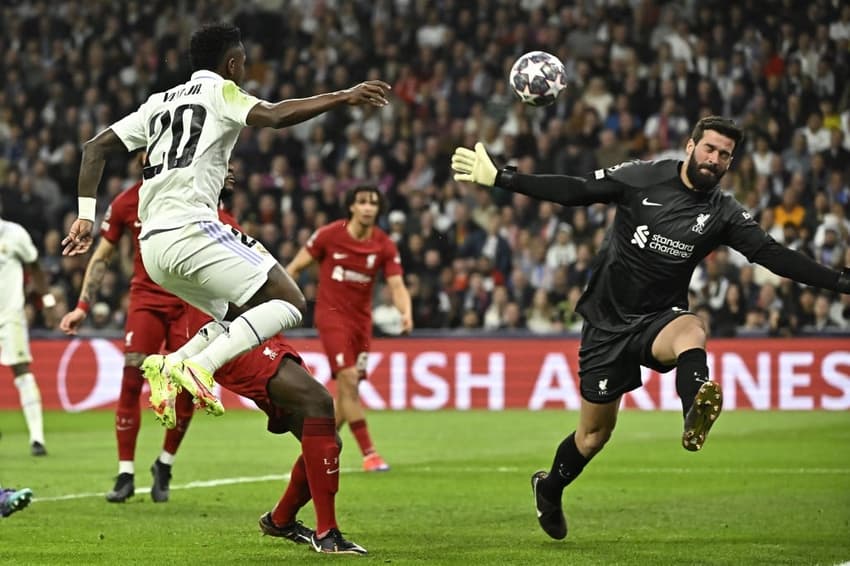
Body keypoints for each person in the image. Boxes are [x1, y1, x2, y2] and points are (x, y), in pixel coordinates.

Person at [451, 115, 850, 540]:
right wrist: (502, 178)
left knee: (693, 330)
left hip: (660, 319)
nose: (714, 160)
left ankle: (695, 405)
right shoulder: (644, 177)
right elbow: (578, 191)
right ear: (691, 145)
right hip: (606, 322)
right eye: (710, 149)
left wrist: (840, 281)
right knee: (593, 436)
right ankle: (549, 489)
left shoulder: (723, 212)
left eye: (725, 156)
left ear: (731, 164)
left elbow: (773, 255)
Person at [60, 22, 391, 428]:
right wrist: (343, 96)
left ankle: (173, 364)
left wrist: (85, 216)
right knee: (291, 302)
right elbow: (273, 116)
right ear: (232, 63)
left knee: (239, 314)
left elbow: (95, 148)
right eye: (244, 65)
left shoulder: (157, 102)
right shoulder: (221, 91)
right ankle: (200, 368)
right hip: (191, 229)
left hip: (154, 249)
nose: (245, 72)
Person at [59, 166, 240, 503]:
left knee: (185, 384)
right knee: (131, 379)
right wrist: (83, 306)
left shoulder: (194, 195)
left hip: (189, 302)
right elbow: (102, 255)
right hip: (146, 301)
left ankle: (165, 463)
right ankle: (125, 473)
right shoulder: (129, 201)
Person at [176, 307, 367, 554]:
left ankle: (280, 520)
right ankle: (327, 533)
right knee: (318, 402)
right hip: (231, 335)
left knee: (328, 442)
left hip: (259, 331)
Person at [287, 186, 412, 472]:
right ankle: (370, 454)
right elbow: (294, 268)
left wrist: (406, 311)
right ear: (351, 207)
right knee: (349, 380)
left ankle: (319, 444)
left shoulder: (383, 244)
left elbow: (396, 284)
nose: (368, 207)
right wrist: (284, 303)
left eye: (373, 203)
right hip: (332, 319)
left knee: (347, 392)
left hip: (361, 325)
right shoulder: (329, 235)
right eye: (362, 202)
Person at [0, 210, 55, 456]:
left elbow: (35, 266)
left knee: (21, 369)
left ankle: (37, 438)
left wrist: (49, 303)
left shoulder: (14, 233)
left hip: (9, 315)